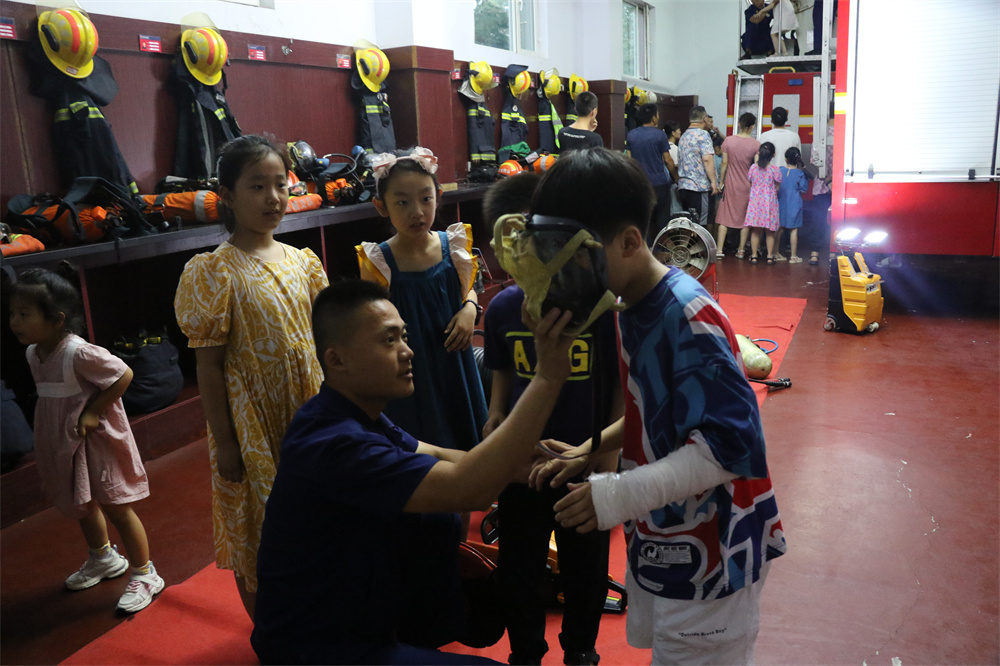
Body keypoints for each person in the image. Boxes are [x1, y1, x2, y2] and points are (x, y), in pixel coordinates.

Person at [526, 148, 786, 665]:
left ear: (628, 242)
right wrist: (587, 450)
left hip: (714, 550)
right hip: (669, 538)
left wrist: (617, 495)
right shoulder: (631, 304)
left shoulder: (686, 314)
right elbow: (657, 409)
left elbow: (731, 445)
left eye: (576, 254)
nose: (563, 270)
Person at [251, 279, 580, 665]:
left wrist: (521, 465)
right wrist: (548, 377)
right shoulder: (332, 443)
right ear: (337, 360)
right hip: (317, 649)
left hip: (364, 622)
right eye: (388, 340)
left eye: (404, 337)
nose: (407, 351)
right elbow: (470, 488)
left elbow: (437, 454)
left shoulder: (355, 414)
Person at [174, 134, 329, 618]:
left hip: (309, 410)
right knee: (260, 526)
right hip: (254, 422)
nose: (273, 197)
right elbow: (209, 364)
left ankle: (319, 615)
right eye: (257, 186)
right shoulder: (214, 271)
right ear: (228, 195)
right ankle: (270, 631)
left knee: (318, 515)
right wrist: (225, 441)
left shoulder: (304, 262)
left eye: (281, 184)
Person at [481, 173, 622, 666]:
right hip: (522, 465)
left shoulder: (601, 312)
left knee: (586, 568)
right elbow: (501, 373)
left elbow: (618, 387)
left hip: (585, 465)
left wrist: (605, 460)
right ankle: (525, 652)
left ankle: (581, 650)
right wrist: (496, 418)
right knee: (520, 567)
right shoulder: (502, 309)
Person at [9, 265, 164, 613]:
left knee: (115, 506)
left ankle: (145, 573)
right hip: (65, 441)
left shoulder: (77, 353)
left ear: (56, 319)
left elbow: (123, 374)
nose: (14, 322)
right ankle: (103, 557)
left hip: (96, 441)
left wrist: (92, 411)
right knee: (81, 500)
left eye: (24, 314)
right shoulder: (34, 353)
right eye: (12, 313)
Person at [357, 147, 487, 456]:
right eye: (402, 202)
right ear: (381, 206)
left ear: (438, 197)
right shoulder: (378, 261)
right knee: (420, 450)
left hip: (455, 365)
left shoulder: (452, 245)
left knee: (468, 446)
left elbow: (469, 288)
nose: (416, 212)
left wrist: (469, 309)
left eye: (425, 199)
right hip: (412, 372)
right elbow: (373, 322)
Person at [626, 103, 679, 244]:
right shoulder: (660, 135)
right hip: (660, 183)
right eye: (657, 114)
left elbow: (629, 160)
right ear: (653, 118)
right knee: (662, 218)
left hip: (640, 184)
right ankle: (662, 248)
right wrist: (676, 178)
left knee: (644, 218)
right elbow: (668, 160)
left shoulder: (631, 135)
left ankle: (645, 248)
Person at [715, 112, 760, 258]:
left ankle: (719, 250)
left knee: (724, 217)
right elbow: (756, 166)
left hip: (730, 184)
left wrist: (721, 183)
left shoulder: (728, 141)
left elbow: (724, 163)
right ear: (752, 126)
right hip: (747, 185)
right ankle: (741, 250)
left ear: (739, 124)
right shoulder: (755, 144)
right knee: (744, 218)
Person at [676, 106, 718, 228]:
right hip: (699, 187)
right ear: (704, 119)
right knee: (701, 224)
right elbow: (707, 158)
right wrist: (713, 182)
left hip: (684, 186)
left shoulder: (684, 136)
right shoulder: (703, 135)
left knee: (689, 223)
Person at [745, 142, 783, 264]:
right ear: (773, 154)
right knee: (770, 233)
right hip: (769, 203)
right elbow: (777, 187)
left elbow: (750, 182)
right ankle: (770, 257)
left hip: (755, 203)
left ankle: (754, 256)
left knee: (756, 231)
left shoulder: (753, 168)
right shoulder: (775, 169)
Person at [806, 114, 834, 265]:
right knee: (840, 219)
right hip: (843, 184)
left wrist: (828, 180)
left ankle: (814, 253)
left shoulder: (820, 135)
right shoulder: (848, 130)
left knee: (818, 219)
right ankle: (835, 252)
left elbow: (816, 161)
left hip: (821, 184)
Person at [778, 146, 810, 263]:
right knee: (794, 230)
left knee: (779, 229)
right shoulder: (800, 173)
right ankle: (793, 256)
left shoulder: (779, 170)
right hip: (795, 203)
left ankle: (775, 253)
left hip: (780, 202)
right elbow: (804, 188)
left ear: (786, 159)